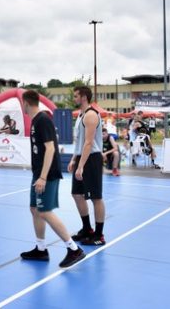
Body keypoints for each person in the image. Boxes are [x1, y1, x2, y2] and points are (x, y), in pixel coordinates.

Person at [19, 90, 86, 268]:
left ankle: (73, 249)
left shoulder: (43, 120)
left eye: (22, 103)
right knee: (35, 209)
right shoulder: (36, 121)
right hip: (38, 173)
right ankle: (41, 249)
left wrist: (42, 177)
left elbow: (50, 149)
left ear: (25, 103)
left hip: (46, 175)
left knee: (44, 211)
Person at [68, 86, 106, 246]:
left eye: (76, 96)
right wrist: (73, 159)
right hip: (81, 157)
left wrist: (81, 166)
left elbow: (89, 143)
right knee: (77, 194)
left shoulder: (91, 115)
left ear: (84, 97)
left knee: (96, 197)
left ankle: (99, 234)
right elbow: (80, 141)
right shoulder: (80, 115)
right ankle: (87, 228)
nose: (74, 98)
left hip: (92, 159)